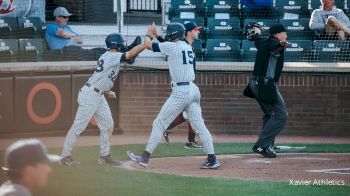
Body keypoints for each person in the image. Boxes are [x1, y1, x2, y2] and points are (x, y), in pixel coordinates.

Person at [127, 23, 220, 169]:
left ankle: (144, 157)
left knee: (159, 123)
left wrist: (149, 34)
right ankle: (212, 159)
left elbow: (147, 45)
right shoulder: (186, 46)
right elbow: (169, 47)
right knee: (200, 127)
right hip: (193, 89)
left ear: (172, 35)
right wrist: (158, 37)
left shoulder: (173, 46)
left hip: (181, 91)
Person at [60, 33, 145, 166]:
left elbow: (103, 76)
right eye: (121, 42)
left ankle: (105, 156)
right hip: (90, 94)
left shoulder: (110, 56)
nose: (123, 44)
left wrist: (106, 91)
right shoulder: (111, 55)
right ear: (116, 44)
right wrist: (145, 44)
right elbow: (129, 55)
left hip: (98, 94)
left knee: (108, 125)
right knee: (78, 126)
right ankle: (65, 156)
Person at [152, 22, 203, 149]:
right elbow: (169, 46)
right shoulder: (181, 44)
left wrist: (158, 37)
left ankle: (189, 141)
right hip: (182, 85)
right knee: (192, 113)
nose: (198, 32)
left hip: (188, 84)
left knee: (191, 114)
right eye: (196, 30)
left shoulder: (186, 45)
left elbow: (169, 46)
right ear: (188, 32)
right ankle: (169, 132)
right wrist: (156, 37)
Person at [244, 23, 289, 158]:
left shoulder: (262, 40)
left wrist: (256, 32)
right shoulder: (273, 43)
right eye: (283, 33)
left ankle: (267, 145)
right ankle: (261, 145)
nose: (285, 35)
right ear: (277, 35)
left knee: (270, 114)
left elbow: (256, 37)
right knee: (281, 116)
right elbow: (273, 48)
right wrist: (280, 45)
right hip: (265, 85)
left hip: (258, 84)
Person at [45, 7, 141, 60]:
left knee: (100, 50)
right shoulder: (51, 26)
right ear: (57, 17)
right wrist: (72, 37)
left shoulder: (67, 27)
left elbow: (80, 40)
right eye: (65, 17)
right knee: (98, 53)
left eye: (67, 17)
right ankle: (127, 56)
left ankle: (127, 51)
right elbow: (61, 33)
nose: (67, 19)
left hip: (75, 50)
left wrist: (71, 37)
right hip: (65, 53)